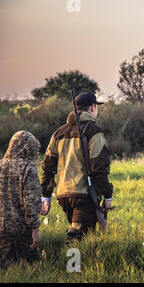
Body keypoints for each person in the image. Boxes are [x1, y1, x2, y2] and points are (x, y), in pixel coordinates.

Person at [40, 92, 113, 242]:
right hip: (83, 195)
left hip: (63, 195)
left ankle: (85, 263)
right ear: (93, 107)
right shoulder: (94, 131)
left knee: (82, 235)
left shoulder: (58, 133)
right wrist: (108, 195)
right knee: (77, 239)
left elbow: (47, 167)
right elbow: (98, 168)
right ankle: (66, 265)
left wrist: (46, 196)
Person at [0, 131, 41, 268]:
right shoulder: (27, 168)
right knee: (30, 268)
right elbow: (31, 203)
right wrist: (34, 230)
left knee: (5, 269)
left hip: (2, 229)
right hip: (22, 231)